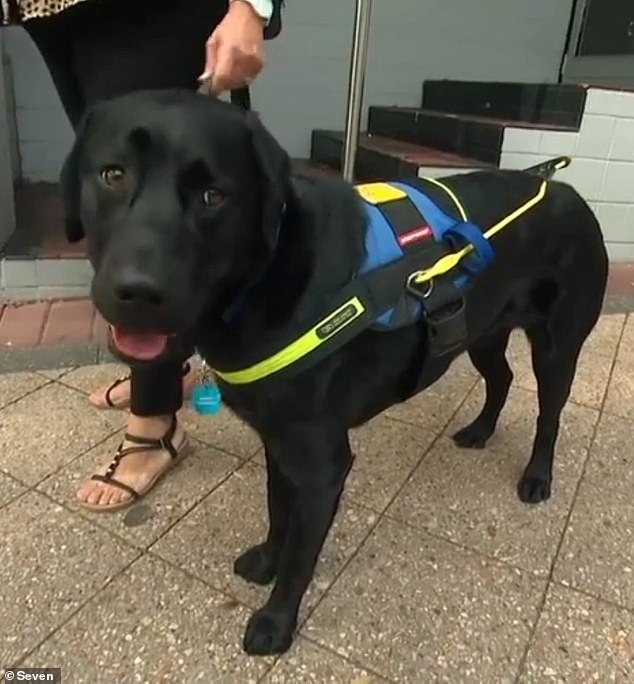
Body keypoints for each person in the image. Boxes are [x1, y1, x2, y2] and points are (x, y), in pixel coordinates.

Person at [1, 0, 284, 511]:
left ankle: (156, 425)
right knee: (116, 174)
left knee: (164, 195)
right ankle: (166, 367)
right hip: (51, 11)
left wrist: (252, 5)